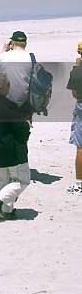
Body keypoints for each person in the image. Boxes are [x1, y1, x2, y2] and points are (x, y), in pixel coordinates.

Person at [0, 31, 35, 185]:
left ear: (12, 43)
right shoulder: (31, 58)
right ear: (25, 43)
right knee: (21, 137)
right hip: (23, 104)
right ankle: (20, 170)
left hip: (3, 103)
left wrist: (3, 50)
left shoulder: (3, 57)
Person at [0, 73, 31, 220]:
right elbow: (19, 128)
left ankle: (6, 210)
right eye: (8, 85)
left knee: (4, 182)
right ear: (3, 88)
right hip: (11, 150)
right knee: (22, 181)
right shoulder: (10, 106)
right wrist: (27, 126)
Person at [65, 41, 82, 194]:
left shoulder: (76, 72)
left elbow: (75, 94)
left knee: (80, 147)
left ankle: (79, 184)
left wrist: (77, 67)